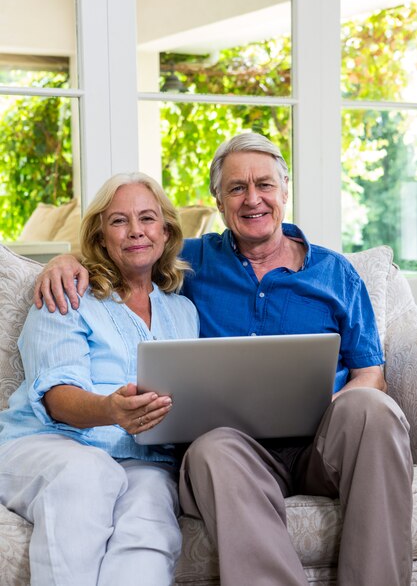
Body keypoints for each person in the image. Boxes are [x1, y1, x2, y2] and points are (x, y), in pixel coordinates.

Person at [34, 133, 413, 586]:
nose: (253, 199)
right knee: (211, 447)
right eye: (236, 188)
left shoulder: (336, 273)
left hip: (321, 448)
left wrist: (329, 409)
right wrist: (65, 260)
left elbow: (371, 374)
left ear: (285, 191)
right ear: (218, 200)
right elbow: (130, 247)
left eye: (265, 185)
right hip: (234, 454)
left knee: (372, 407)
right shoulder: (192, 261)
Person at [0, 172, 199, 586]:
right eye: (119, 221)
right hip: (49, 445)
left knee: (150, 522)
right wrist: (111, 409)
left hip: (143, 458)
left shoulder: (183, 312)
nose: (135, 231)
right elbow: (56, 398)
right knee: (90, 473)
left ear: (166, 231)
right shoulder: (68, 292)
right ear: (101, 236)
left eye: (147, 218)